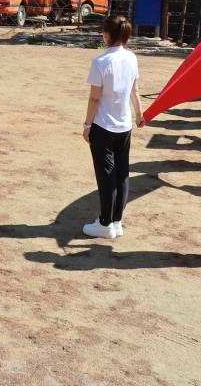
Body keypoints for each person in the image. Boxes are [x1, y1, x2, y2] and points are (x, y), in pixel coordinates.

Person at [81, 15, 144, 239]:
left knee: (106, 176)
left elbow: (94, 98)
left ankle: (105, 223)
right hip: (124, 126)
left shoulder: (100, 62)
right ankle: (116, 221)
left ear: (107, 34)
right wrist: (139, 113)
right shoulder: (132, 58)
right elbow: (135, 90)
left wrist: (87, 124)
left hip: (103, 126)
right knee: (122, 174)